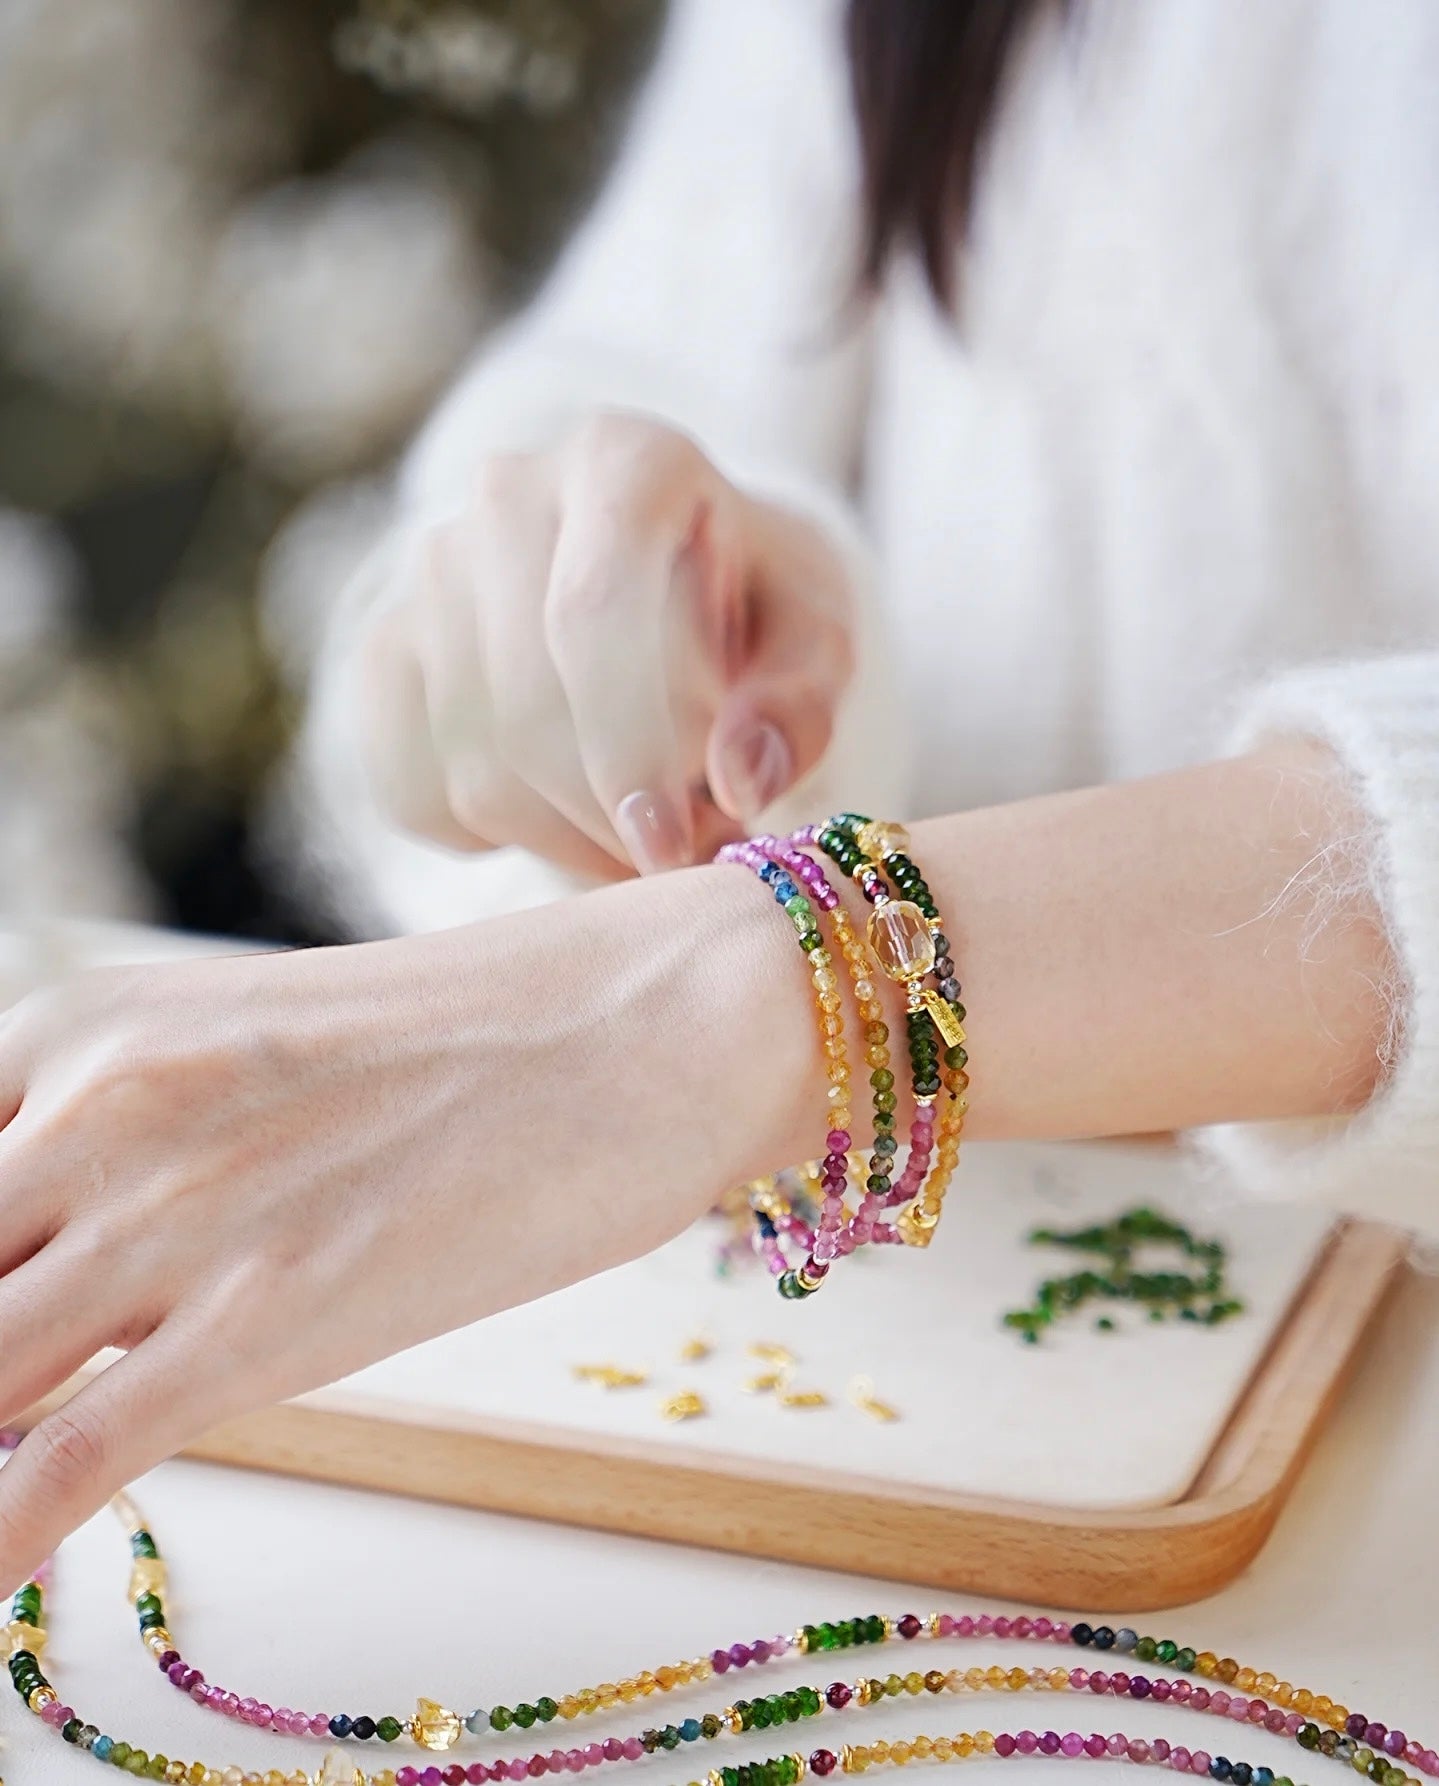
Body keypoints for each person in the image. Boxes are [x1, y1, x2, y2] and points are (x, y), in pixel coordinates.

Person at [1, 0, 1436, 1593]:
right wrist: (527, 656)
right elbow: (649, 367)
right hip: (953, 1409)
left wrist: (746, 1001)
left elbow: (681, 1012)